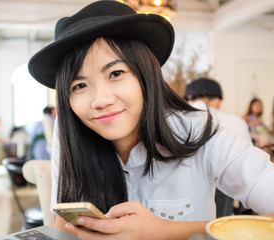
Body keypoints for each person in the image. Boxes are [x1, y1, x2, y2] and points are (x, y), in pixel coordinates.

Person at [28, 1, 274, 239]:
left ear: (147, 74)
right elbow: (64, 225)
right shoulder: (72, 132)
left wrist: (164, 232)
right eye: (79, 85)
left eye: (116, 73)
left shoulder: (199, 133)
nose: (100, 100)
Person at [184, 78, 252, 217]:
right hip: (223, 206)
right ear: (219, 101)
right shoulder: (235, 121)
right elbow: (247, 168)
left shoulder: (177, 121)